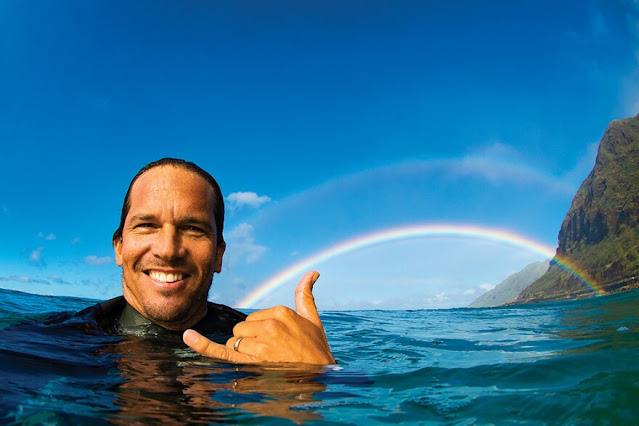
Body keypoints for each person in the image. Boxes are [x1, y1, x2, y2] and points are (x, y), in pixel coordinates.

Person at [93, 157, 335, 365]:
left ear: (218, 255)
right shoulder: (63, 338)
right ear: (119, 248)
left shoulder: (266, 343)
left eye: (192, 228)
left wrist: (317, 372)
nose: (168, 250)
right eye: (147, 225)